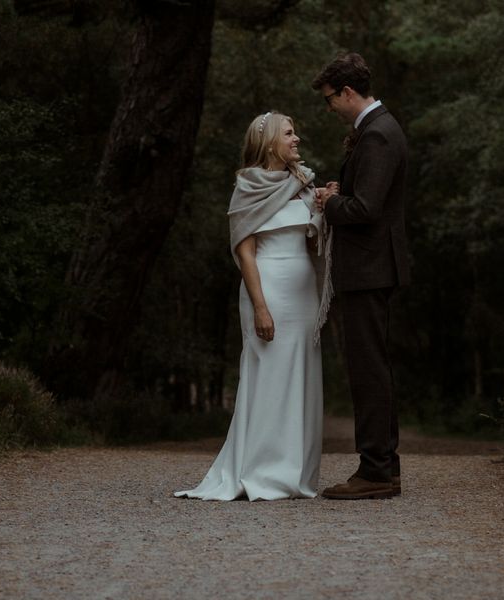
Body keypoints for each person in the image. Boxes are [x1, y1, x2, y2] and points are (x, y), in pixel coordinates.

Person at [175, 111, 335, 501]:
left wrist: (325, 206)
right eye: (289, 133)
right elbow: (245, 253)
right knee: (269, 376)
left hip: (302, 295)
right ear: (268, 142)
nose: (297, 139)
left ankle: (293, 473)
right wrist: (261, 308)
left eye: (296, 132)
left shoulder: (302, 183)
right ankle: (259, 471)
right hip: (267, 289)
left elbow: (313, 239)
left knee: (300, 376)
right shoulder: (247, 187)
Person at [312, 52, 410, 500]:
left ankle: (374, 472)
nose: (331, 107)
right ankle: (383, 467)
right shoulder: (376, 130)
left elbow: (366, 209)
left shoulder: (377, 135)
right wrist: (341, 192)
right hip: (372, 267)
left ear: (348, 92)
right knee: (374, 366)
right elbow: (365, 196)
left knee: (368, 369)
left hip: (368, 268)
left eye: (331, 98)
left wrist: (328, 204)